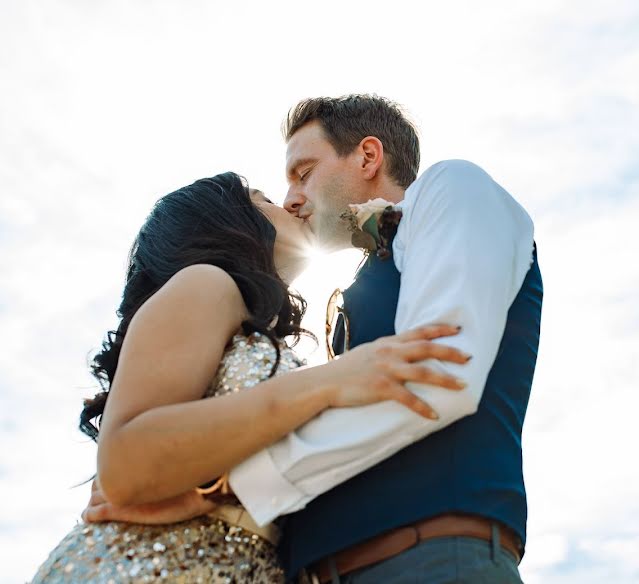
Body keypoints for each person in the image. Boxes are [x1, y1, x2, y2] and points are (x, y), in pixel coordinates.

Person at [88, 95, 544, 583]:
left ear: (368, 157)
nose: (290, 199)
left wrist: (223, 489)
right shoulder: (359, 287)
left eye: (303, 173)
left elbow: (435, 372)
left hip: (427, 558)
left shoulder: (453, 187)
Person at [31, 172, 469, 582]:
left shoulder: (248, 327)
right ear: (226, 223)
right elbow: (124, 467)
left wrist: (214, 493)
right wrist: (330, 382)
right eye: (262, 199)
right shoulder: (205, 283)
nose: (289, 204)